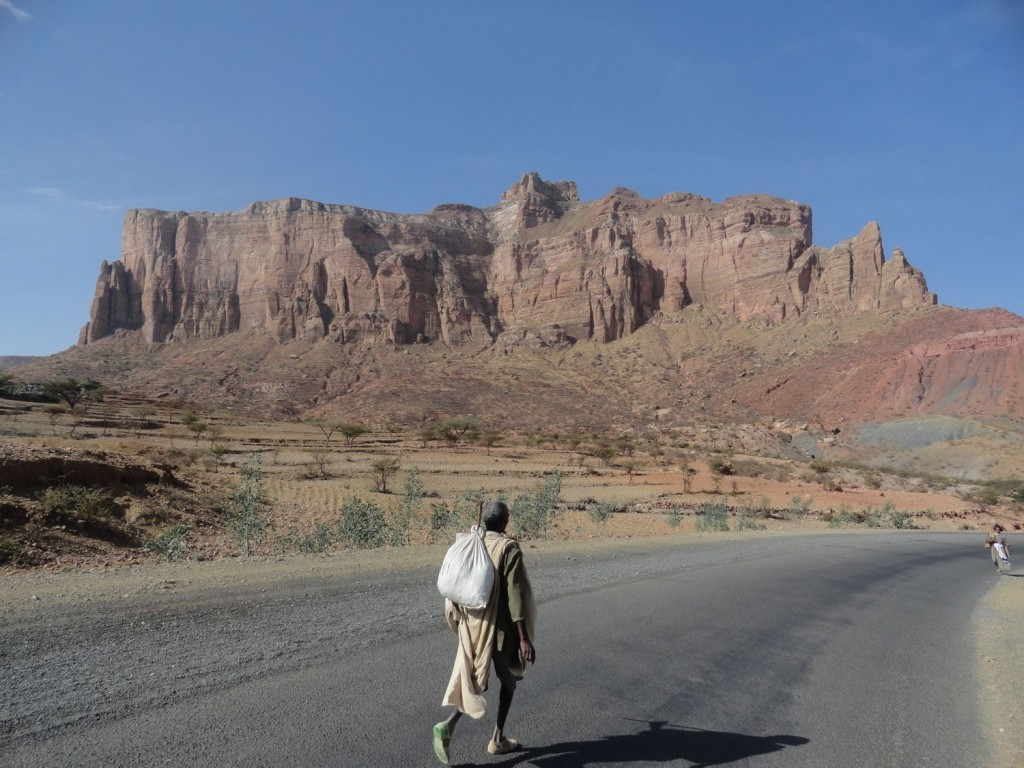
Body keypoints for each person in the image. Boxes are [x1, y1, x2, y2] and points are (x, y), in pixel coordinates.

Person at [433, 500, 537, 764]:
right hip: (501, 632)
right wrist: (524, 638)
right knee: (509, 682)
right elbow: (516, 596)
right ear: (504, 523)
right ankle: (497, 740)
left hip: (472, 626)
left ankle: (448, 727)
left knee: (475, 680)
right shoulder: (508, 548)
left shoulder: (473, 542)